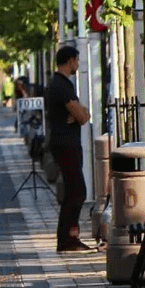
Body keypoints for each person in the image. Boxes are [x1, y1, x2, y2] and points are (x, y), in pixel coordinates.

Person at [46, 46, 93, 253]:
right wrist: (79, 113)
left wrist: (78, 113)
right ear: (70, 61)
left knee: (73, 191)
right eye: (77, 60)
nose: (78, 64)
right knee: (77, 192)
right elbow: (83, 117)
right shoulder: (62, 86)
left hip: (64, 142)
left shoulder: (57, 84)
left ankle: (67, 238)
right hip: (66, 143)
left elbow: (81, 114)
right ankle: (68, 239)